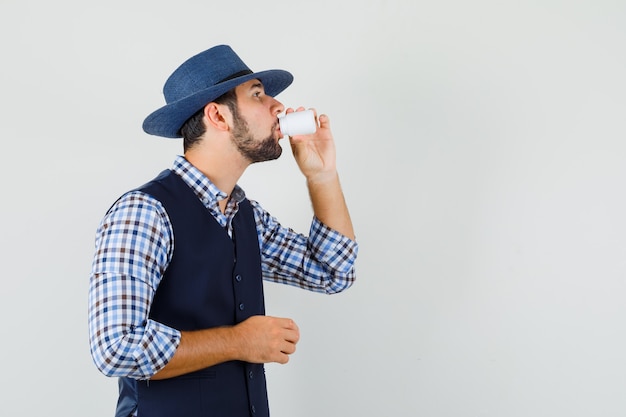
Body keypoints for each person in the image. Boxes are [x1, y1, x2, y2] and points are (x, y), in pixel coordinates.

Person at [88, 44, 358, 417]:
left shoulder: (245, 216)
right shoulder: (144, 212)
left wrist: (322, 175)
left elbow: (333, 271)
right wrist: (238, 342)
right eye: (258, 95)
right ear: (218, 116)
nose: (278, 106)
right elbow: (116, 347)